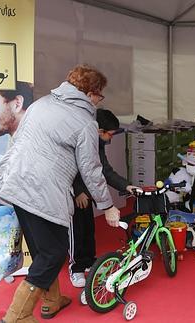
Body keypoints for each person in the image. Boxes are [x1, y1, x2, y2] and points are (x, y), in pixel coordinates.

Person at [0, 65, 121, 322]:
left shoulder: (41, 104)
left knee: (41, 249)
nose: (99, 99)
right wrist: (108, 205)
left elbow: (17, 143)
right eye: (99, 94)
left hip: (16, 183)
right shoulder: (85, 123)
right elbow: (91, 169)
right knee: (54, 252)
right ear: (91, 93)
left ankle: (51, 300)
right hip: (42, 191)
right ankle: (17, 315)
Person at [69, 108, 139, 288]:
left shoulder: (97, 144)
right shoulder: (80, 138)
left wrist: (126, 185)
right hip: (71, 191)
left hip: (87, 192)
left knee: (88, 228)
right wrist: (78, 191)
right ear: (100, 131)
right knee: (76, 230)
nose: (112, 139)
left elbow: (104, 170)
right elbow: (71, 166)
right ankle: (76, 267)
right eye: (111, 134)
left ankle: (89, 261)